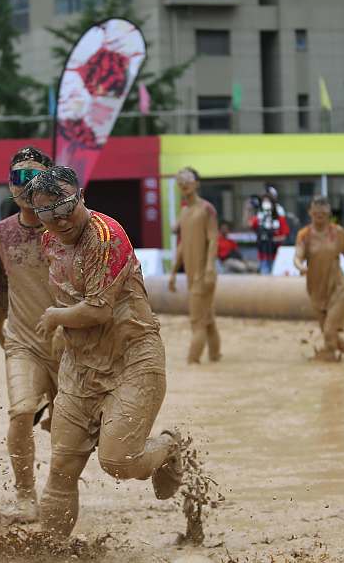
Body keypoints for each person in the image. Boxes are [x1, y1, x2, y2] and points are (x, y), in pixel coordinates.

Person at [25, 166, 183, 538]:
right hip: (80, 365)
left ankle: (170, 447)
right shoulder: (49, 242)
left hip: (133, 358)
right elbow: (65, 294)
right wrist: (59, 338)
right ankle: (52, 551)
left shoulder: (106, 236)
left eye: (66, 208)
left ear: (81, 197)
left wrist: (55, 318)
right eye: (49, 214)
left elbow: (98, 310)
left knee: (118, 460)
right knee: (62, 465)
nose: (61, 220)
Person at [0, 146, 58, 521]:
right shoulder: (2, 232)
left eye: (33, 177)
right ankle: (24, 495)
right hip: (22, 341)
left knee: (75, 431)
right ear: (9, 185)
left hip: (69, 343)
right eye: (18, 177)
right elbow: (1, 283)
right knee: (20, 413)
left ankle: (59, 491)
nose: (25, 185)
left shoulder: (65, 228)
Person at [293, 196, 344, 362]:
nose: (319, 216)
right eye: (316, 213)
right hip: (316, 289)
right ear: (310, 213)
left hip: (338, 288)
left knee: (329, 331)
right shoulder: (304, 235)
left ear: (329, 213)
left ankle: (331, 372)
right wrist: (300, 267)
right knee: (329, 333)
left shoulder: (338, 233)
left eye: (323, 213)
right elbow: (297, 256)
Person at [168, 167, 221, 365]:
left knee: (197, 321)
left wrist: (209, 268)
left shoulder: (206, 209)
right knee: (207, 318)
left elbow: (214, 239)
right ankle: (215, 357)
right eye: (180, 181)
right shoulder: (184, 211)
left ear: (196, 183)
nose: (184, 183)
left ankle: (193, 360)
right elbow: (182, 245)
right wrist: (173, 272)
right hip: (191, 274)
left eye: (188, 179)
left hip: (203, 274)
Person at [249, 185, 288, 275]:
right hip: (263, 254)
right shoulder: (259, 217)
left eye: (268, 202)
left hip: (277, 255)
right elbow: (250, 225)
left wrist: (273, 239)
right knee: (264, 275)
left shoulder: (279, 218)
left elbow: (284, 235)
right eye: (264, 202)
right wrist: (249, 209)